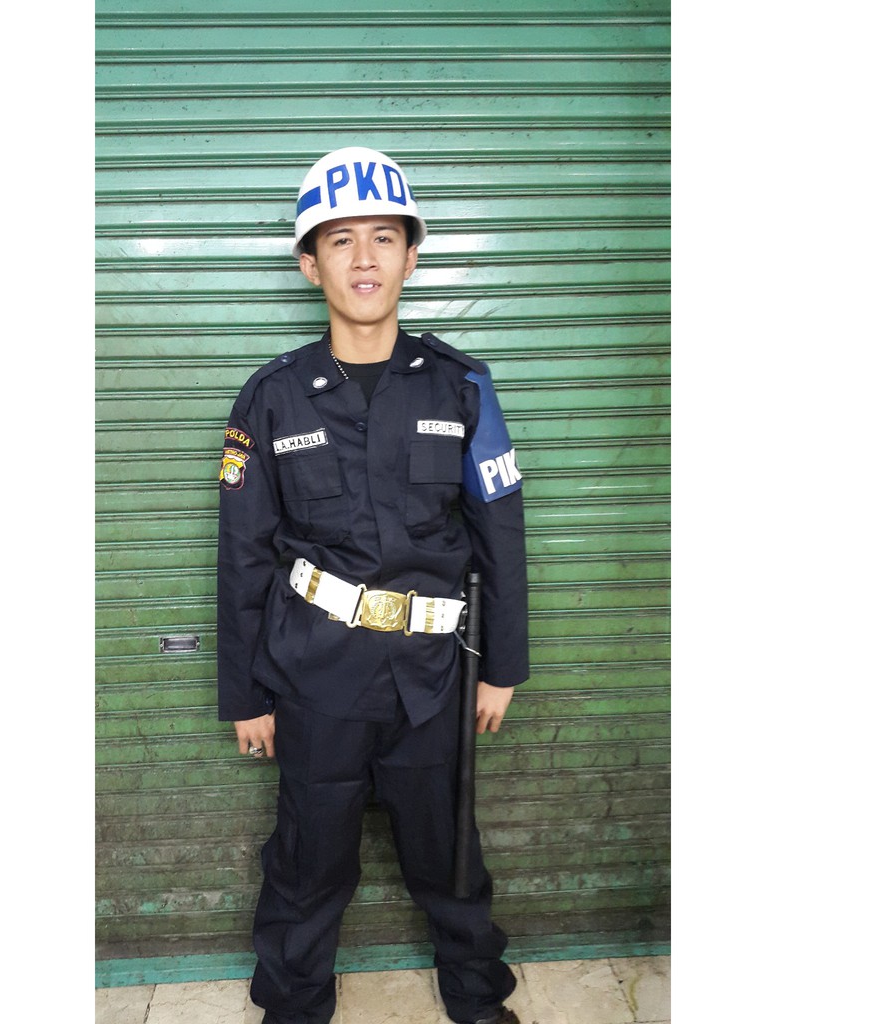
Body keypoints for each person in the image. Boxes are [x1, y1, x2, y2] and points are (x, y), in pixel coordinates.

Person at [216, 147, 529, 1024]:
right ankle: (292, 1006)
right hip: (316, 678)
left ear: (411, 257)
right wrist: (246, 695)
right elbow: (242, 554)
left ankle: (478, 1000)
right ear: (309, 264)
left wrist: (502, 669)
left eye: (384, 238)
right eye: (340, 240)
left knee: (450, 858)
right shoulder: (272, 399)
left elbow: (500, 534)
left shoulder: (462, 387)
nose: (364, 259)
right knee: (307, 865)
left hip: (435, 677)